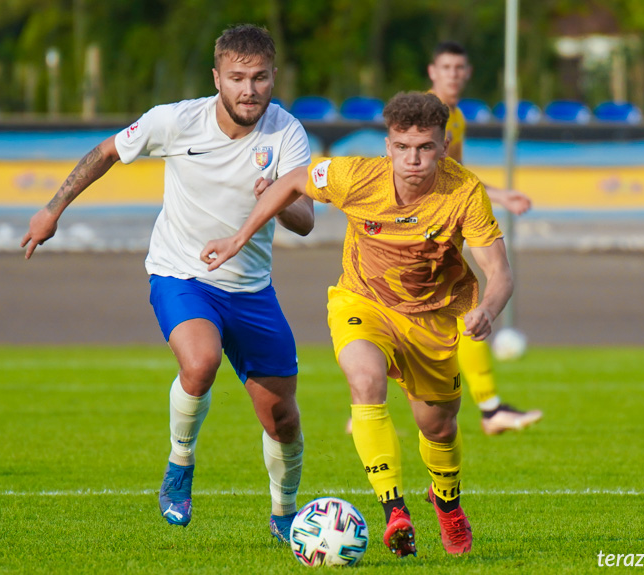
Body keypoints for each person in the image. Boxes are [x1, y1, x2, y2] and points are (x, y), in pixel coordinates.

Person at [20, 24, 313, 543]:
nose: (249, 90)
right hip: (182, 274)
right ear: (217, 78)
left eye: (261, 78)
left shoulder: (285, 132)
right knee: (199, 364)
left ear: (274, 78)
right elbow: (108, 151)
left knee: (283, 419)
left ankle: (285, 514)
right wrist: (52, 208)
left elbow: (306, 220)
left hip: (251, 289)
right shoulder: (175, 121)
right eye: (238, 78)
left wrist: (281, 197)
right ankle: (180, 466)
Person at [201, 92, 514, 557]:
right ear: (387, 145)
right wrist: (239, 237)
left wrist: (487, 308)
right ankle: (395, 512)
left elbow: (500, 271)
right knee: (365, 380)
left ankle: (447, 505)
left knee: (439, 427)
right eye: (403, 147)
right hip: (362, 303)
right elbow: (291, 181)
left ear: (445, 145)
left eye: (426, 147)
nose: (414, 159)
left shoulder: (464, 192)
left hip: (433, 319)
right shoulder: (355, 175)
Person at [427, 40, 542, 435]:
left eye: (460, 68)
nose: (453, 75)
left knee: (460, 310)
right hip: (425, 227)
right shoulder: (426, 112)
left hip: (447, 221)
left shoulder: (454, 117)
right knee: (451, 310)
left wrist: (498, 194)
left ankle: (491, 408)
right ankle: (365, 407)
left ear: (468, 72)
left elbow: (455, 173)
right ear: (432, 72)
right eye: (446, 67)